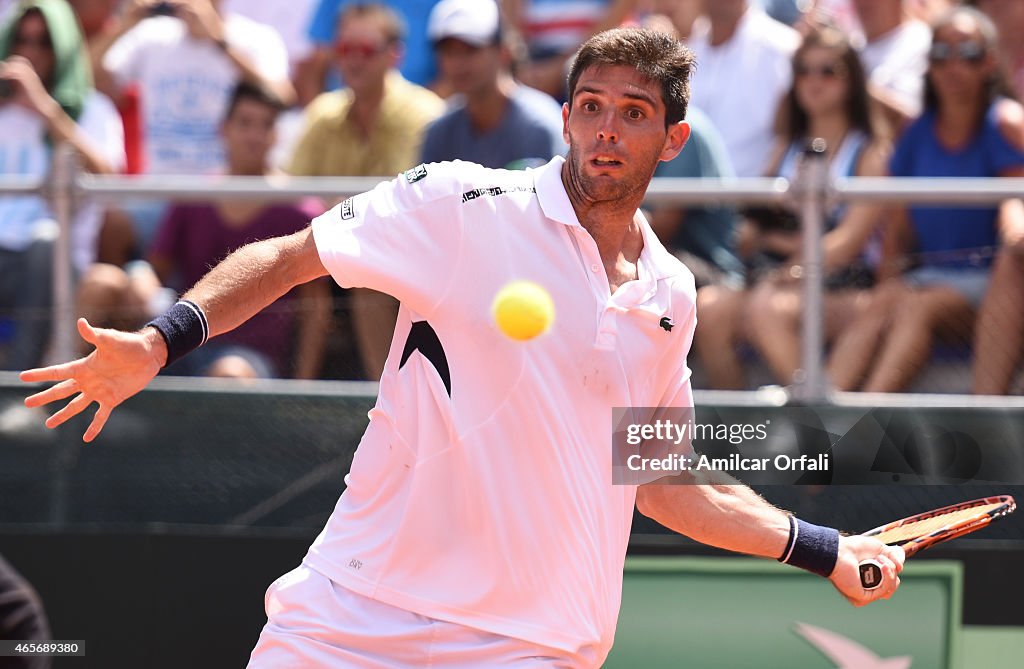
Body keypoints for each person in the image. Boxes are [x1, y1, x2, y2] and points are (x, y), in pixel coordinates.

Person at [21, 28, 904, 667]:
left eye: (632, 114)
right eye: (590, 106)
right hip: (351, 611)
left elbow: (665, 484)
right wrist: (160, 338)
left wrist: (822, 547)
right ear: (563, 117)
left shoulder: (669, 296)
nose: (605, 129)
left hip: (531, 643)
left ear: (672, 139)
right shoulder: (459, 202)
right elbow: (290, 258)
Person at [75, 82, 330, 380]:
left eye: (266, 125)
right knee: (101, 282)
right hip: (177, 340)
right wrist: (139, 276)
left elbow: (316, 307)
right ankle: (66, 403)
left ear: (277, 135)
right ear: (224, 128)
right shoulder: (194, 196)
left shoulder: (300, 209)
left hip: (248, 358)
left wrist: (302, 389)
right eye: (245, 123)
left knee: (228, 373)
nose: (254, 135)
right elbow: (157, 269)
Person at [829, 6, 1024, 393]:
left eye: (966, 53)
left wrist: (1015, 228)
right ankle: (820, 420)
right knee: (883, 302)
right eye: (940, 54)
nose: (953, 65)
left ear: (988, 62)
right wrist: (888, 282)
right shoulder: (915, 130)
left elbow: (1014, 205)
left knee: (916, 307)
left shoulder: (1005, 123)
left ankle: (863, 422)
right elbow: (898, 230)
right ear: (928, 63)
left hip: (990, 282)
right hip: (929, 279)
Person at [288, 1, 445, 381]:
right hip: (336, 255)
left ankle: (380, 399)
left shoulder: (425, 114)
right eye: (345, 50)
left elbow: (411, 207)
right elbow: (288, 193)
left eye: (365, 51)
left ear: (395, 55)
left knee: (365, 277)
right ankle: (295, 396)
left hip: (406, 255)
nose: (354, 62)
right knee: (302, 264)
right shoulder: (322, 113)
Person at [737, 26, 890, 388]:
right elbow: (746, 236)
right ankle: (731, 440)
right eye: (803, 71)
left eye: (828, 71)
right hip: (783, 278)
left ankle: (817, 421)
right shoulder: (784, 147)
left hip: (846, 287)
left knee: (765, 308)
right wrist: (781, 252)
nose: (813, 81)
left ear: (852, 81)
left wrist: (788, 262)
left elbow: (848, 242)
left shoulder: (870, 152)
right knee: (711, 310)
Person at [0, 0, 124, 371]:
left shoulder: (92, 109)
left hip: (55, 261)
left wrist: (46, 110)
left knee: (45, 239)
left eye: (44, 43)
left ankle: (16, 389)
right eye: (22, 40)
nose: (29, 53)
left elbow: (109, 181)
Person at [419, 0, 565, 170]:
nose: (458, 63)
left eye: (470, 49)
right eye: (448, 51)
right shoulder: (439, 132)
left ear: (504, 51)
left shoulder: (540, 126)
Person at [686, 0, 800, 177]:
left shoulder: (785, 47)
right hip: (683, 196)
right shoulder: (686, 46)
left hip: (754, 198)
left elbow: (789, 133)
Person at [851, 0, 931, 132]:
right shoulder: (851, 45)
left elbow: (916, 122)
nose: (863, 3)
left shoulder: (922, 42)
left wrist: (855, 87)